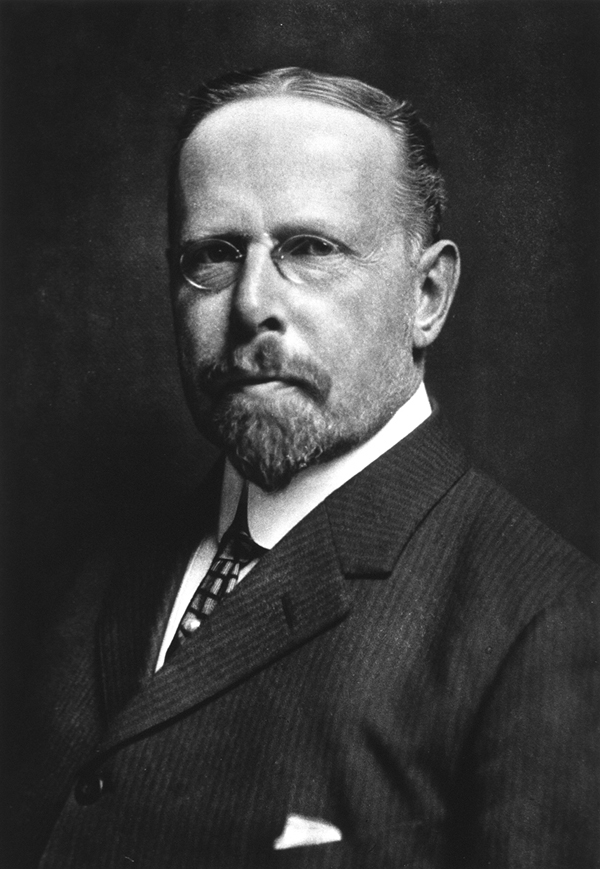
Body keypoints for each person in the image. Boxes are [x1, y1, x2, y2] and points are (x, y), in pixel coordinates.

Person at [12, 67, 598, 868]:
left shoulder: (544, 620)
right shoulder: (97, 578)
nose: (252, 302)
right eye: (213, 255)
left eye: (309, 248)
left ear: (427, 294)